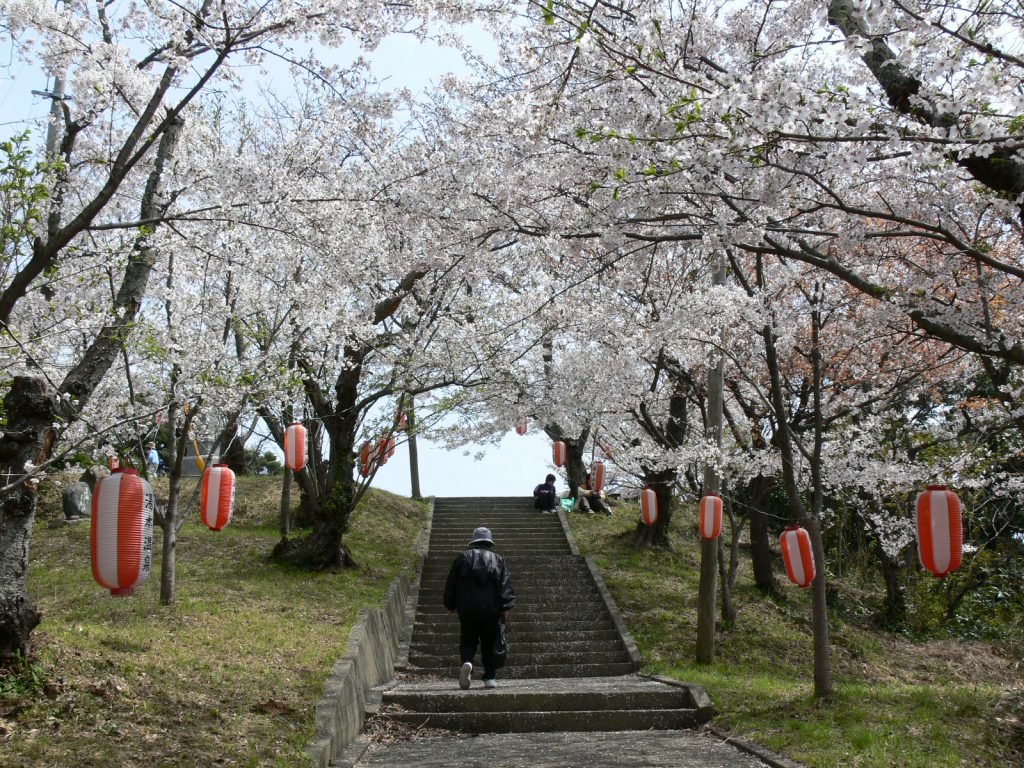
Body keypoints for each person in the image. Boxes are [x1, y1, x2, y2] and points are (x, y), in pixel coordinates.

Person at [443, 526, 515, 690]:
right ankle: (489, 677)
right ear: (489, 542)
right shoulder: (498, 559)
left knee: (468, 640)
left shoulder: (462, 558)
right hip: (491, 610)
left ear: (474, 540)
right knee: (489, 643)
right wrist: (507, 606)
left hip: (467, 609)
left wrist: (450, 604)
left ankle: (467, 662)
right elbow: (505, 584)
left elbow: (451, 583)